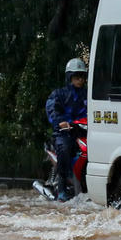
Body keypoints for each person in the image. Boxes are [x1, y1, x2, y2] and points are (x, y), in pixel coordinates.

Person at [45, 58, 88, 201]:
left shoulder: (88, 94)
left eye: (82, 77)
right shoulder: (59, 94)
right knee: (64, 150)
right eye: (76, 77)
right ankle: (62, 187)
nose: (80, 80)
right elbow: (52, 111)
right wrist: (61, 122)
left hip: (84, 131)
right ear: (70, 78)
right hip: (65, 132)